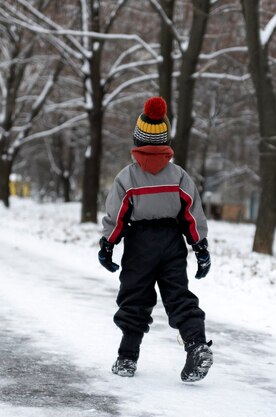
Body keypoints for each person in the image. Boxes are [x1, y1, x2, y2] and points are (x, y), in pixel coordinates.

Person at [98, 97, 213, 382]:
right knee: (178, 296)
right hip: (172, 242)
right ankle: (196, 345)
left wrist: (108, 245)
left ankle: (126, 358)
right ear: (165, 140)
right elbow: (192, 214)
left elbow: (118, 215)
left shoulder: (127, 178)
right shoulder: (179, 177)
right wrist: (199, 246)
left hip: (139, 245)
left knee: (135, 298)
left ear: (137, 138)